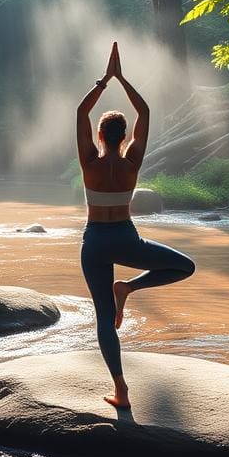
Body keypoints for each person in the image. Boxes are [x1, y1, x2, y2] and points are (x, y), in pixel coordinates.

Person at [77, 41, 196, 409]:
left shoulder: (89, 163)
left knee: (103, 318)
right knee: (184, 266)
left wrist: (104, 81)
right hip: (127, 240)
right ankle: (128, 287)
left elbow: (81, 111)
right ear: (125, 137)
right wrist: (123, 79)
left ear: (99, 136)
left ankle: (121, 389)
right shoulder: (132, 162)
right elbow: (143, 109)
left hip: (95, 241)